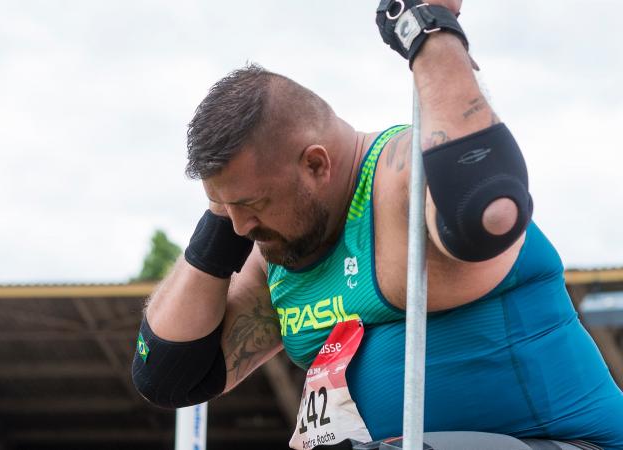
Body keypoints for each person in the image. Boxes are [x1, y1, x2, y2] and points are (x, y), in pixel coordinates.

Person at [131, 1, 623, 448]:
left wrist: (429, 32)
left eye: (253, 203)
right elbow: (168, 376)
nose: (241, 228)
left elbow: (489, 211)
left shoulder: (400, 177)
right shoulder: (279, 254)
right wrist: (223, 213)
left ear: (317, 165)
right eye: (225, 209)